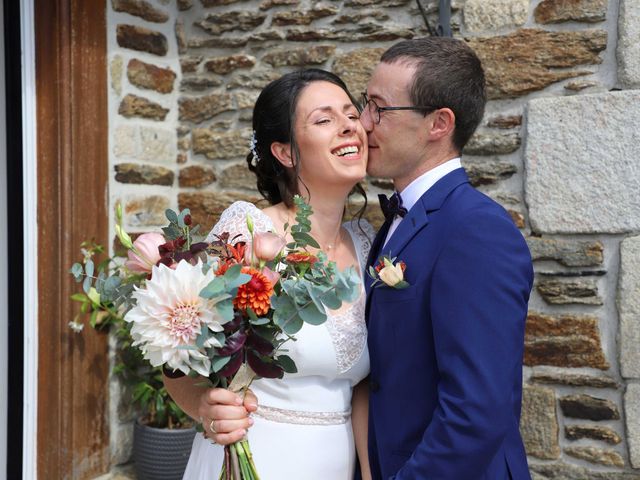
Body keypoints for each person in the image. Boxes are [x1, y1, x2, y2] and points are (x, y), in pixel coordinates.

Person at [163, 69, 375, 480]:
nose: (350, 126)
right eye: (325, 119)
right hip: (254, 458)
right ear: (284, 152)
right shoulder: (246, 231)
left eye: (352, 114)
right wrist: (204, 407)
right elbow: (176, 354)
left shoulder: (368, 244)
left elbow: (367, 385)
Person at [362, 37, 533, 479]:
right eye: (365, 104)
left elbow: (477, 411)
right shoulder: (397, 220)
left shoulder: (476, 229)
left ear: (438, 123)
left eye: (379, 108)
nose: (363, 123)